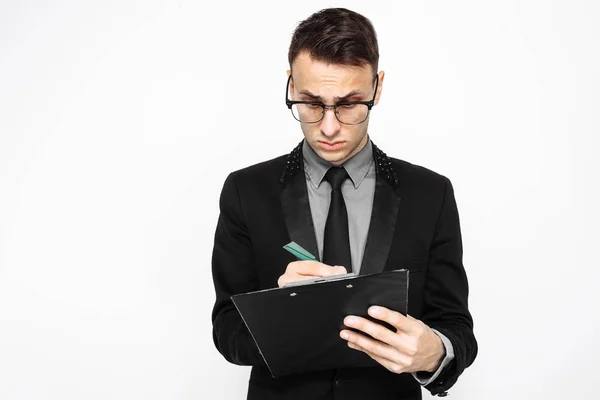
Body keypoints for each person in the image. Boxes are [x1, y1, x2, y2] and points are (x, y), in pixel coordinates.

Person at [210, 7, 477, 400]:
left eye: (350, 103)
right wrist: (280, 314)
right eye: (311, 103)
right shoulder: (246, 191)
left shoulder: (430, 194)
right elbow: (226, 329)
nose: (329, 127)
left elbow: (455, 326)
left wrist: (435, 352)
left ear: (377, 88)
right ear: (291, 85)